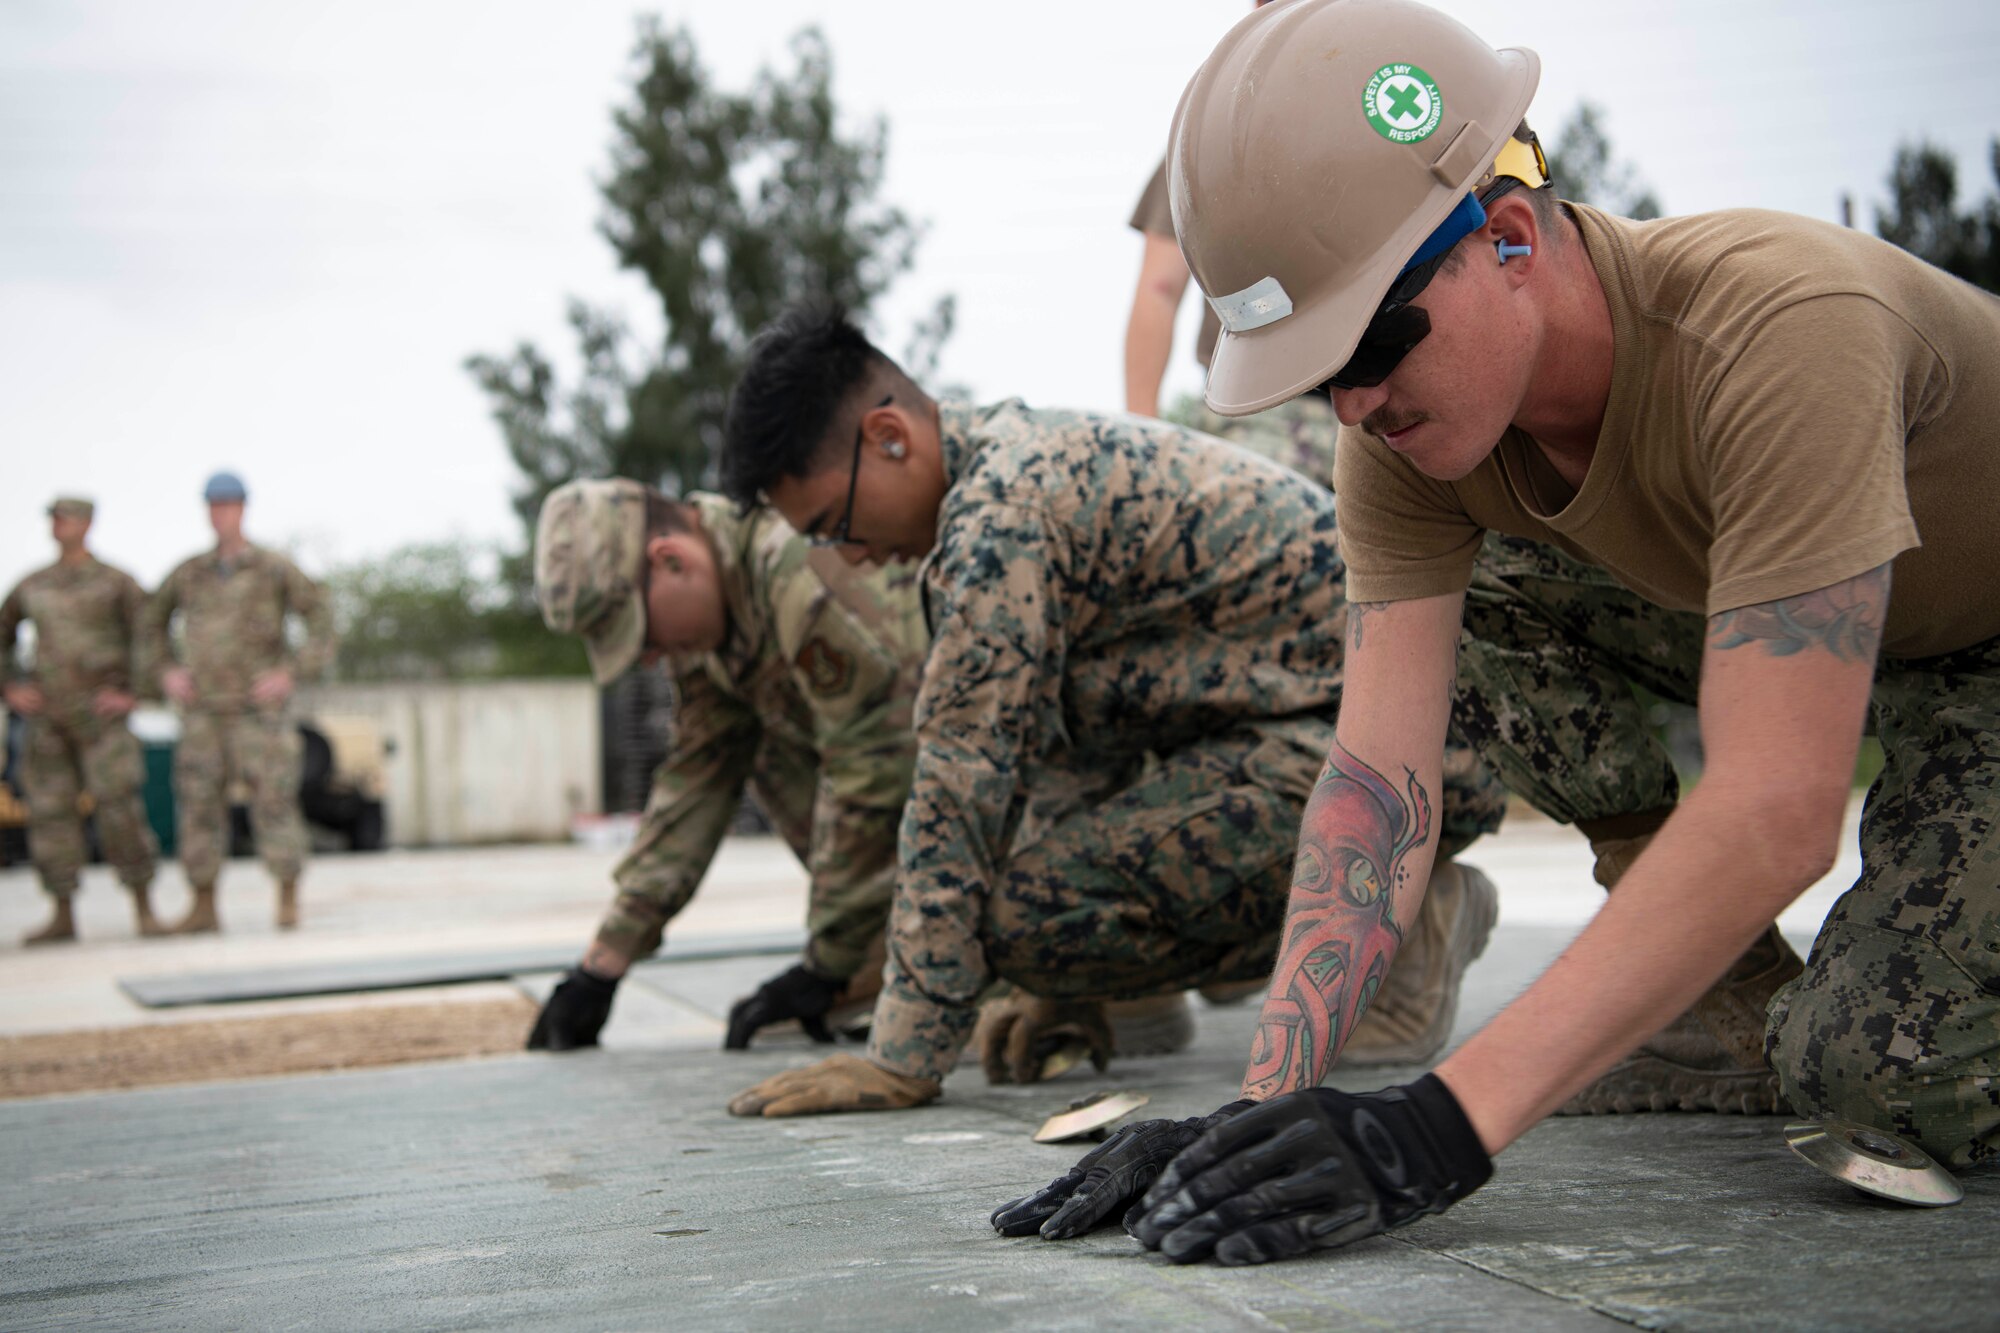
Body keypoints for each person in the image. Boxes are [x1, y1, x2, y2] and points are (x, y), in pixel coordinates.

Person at [999, 0, 2000, 1267]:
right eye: (1317, 376)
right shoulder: (1406, 447)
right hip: (1874, 632)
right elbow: (1374, 784)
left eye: (1369, 342)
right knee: (1502, 600)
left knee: (1877, 1078)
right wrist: (1260, 1106)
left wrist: (1432, 1129)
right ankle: (1713, 989)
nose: (1352, 404)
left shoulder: (1775, 331)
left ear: (1510, 237)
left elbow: (1774, 806)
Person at [717, 302, 1508, 1119]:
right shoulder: (1007, 475)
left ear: (889, 436)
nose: (851, 555)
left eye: (835, 524)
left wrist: (901, 1055)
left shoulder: (1002, 515)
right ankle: (1370, 897)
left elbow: (959, 789)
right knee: (1040, 923)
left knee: (1028, 914)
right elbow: (1064, 759)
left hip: (1413, 751)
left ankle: (1406, 912)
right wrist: (1058, 983)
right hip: (1352, 736)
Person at [523, 478, 927, 1053]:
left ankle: (993, 955)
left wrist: (826, 964)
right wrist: (602, 965)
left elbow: (875, 761)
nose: (650, 655)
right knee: (744, 740)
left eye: (642, 632)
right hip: (923, 826)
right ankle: (891, 947)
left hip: (1017, 800)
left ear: (670, 561)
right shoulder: (710, 644)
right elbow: (697, 781)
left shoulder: (797, 569)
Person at [147, 472, 333, 933]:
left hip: (257, 712)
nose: (220, 513)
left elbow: (322, 619)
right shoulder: (190, 572)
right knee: (198, 808)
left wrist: (290, 672)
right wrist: (167, 670)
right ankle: (203, 905)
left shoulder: (272, 567)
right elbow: (149, 625)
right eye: (212, 505)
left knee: (274, 804)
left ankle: (286, 899)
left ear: (243, 508)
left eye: (228, 504)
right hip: (204, 712)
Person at [0, 497, 161, 944]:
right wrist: (10, 688)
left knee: (120, 810)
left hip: (101, 721)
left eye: (65, 518)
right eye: (52, 518)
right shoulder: (34, 584)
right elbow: (3, 634)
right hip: (48, 721)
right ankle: (62, 912)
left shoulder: (115, 583)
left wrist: (134, 693)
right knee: (51, 816)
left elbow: (150, 636)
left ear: (87, 524)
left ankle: (144, 907)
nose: (57, 525)